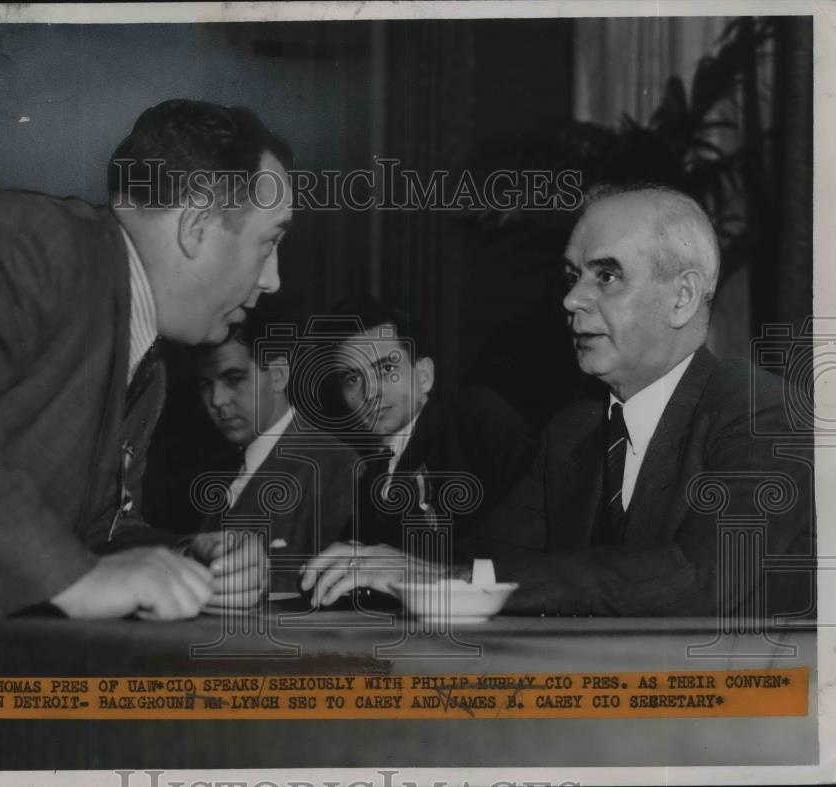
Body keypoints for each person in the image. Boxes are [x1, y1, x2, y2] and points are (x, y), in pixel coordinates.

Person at [0, 99, 294, 620]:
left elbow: (93, 534)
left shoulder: (145, 364)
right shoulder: (40, 239)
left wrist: (184, 561)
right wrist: (65, 577)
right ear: (197, 224)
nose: (273, 279)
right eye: (269, 242)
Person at [303, 185, 814, 617]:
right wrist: (377, 566)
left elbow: (699, 578)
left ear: (681, 297)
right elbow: (491, 560)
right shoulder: (574, 430)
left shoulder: (762, 414)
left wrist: (451, 577)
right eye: (573, 277)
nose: (571, 300)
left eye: (606, 276)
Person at [318, 297, 537, 555]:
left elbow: (536, 523)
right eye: (353, 378)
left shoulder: (474, 420)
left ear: (424, 375)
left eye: (386, 368)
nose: (370, 392)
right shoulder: (365, 473)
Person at [191, 309, 359, 592]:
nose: (217, 400)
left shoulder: (337, 468)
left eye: (234, 379)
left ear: (279, 375)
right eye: (206, 385)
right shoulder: (216, 467)